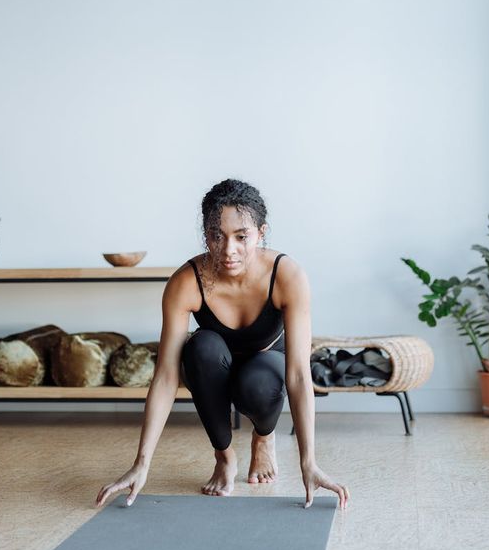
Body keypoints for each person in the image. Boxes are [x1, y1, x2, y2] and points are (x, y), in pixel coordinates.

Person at [95, 179, 350, 510]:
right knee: (200, 348)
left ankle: (263, 437)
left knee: (258, 382)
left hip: (266, 366)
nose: (228, 250)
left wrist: (309, 462)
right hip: (215, 365)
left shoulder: (287, 275)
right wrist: (141, 462)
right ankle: (224, 456)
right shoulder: (186, 282)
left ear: (261, 232)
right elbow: (166, 375)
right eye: (217, 236)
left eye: (241, 237)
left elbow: (300, 375)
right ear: (206, 235)